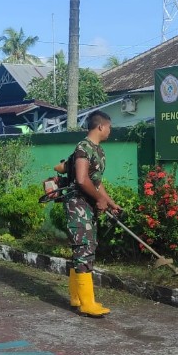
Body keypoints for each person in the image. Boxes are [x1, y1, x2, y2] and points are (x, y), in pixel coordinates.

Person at [61, 111, 121, 317]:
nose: (110, 131)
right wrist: (99, 199)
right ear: (101, 127)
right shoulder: (83, 148)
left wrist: (110, 202)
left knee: (84, 248)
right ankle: (88, 303)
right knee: (84, 248)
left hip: (88, 204)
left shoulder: (99, 151)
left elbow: (96, 182)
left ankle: (76, 298)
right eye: (110, 127)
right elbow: (81, 179)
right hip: (77, 204)